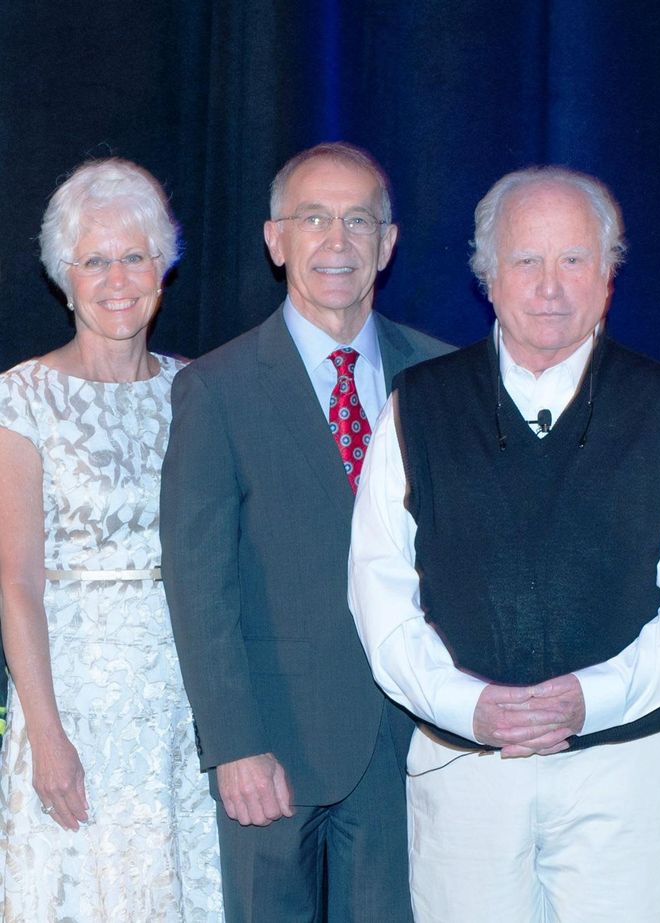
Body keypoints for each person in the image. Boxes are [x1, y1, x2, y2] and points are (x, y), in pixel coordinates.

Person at [348, 165, 660, 923]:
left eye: (574, 260)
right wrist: (470, 706)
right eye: (526, 261)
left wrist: (591, 699)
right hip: (465, 769)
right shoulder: (418, 407)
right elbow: (377, 590)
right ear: (489, 278)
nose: (550, 286)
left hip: (622, 770)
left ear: (608, 277)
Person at [160, 141, 451, 923]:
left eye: (359, 220)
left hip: (406, 748)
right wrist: (232, 743)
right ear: (274, 238)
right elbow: (199, 585)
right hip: (272, 750)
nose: (337, 240)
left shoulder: (440, 379)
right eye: (313, 218)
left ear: (387, 244)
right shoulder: (215, 389)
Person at [0, 158, 222, 919]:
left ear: (164, 266)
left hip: (182, 715)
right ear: (64, 276)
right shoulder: (22, 396)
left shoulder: (199, 389)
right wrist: (46, 733)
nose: (117, 277)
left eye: (134, 255)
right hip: (77, 709)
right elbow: (16, 581)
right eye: (95, 259)